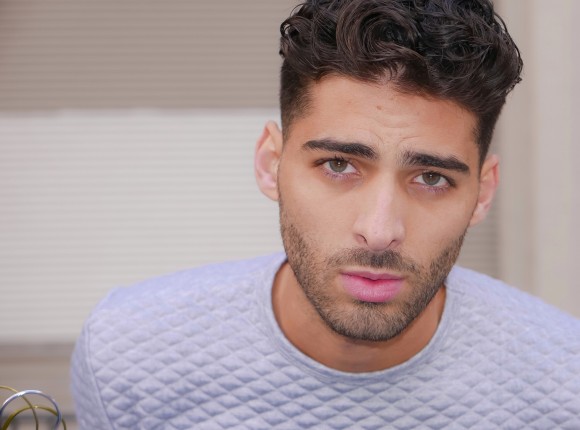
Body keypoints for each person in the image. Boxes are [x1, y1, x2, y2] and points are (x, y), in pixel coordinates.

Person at [71, 0, 580, 428]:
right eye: (339, 165)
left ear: (483, 192)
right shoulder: (127, 356)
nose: (379, 232)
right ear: (270, 164)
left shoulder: (565, 384)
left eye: (431, 178)